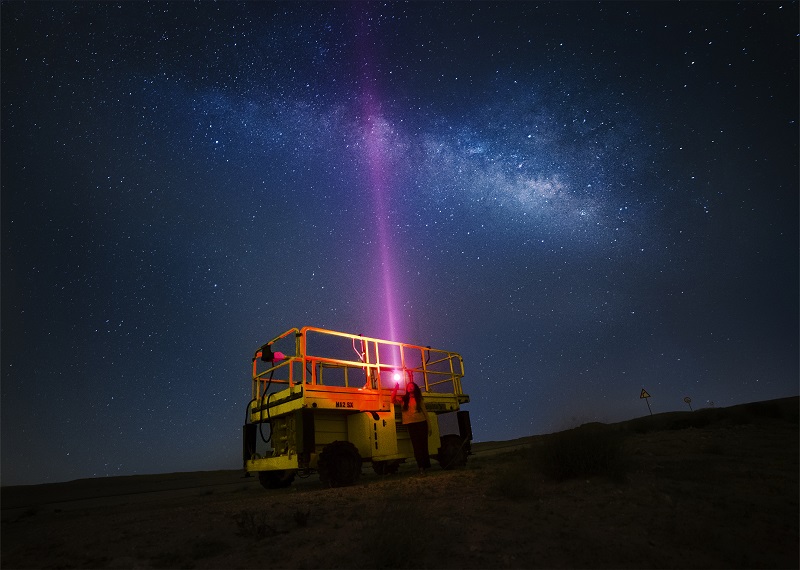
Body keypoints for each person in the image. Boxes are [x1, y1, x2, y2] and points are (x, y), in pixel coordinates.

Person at [391, 371, 432, 474]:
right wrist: (395, 388)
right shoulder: (404, 399)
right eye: (408, 386)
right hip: (411, 424)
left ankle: (426, 466)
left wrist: (429, 426)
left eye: (411, 386)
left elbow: (425, 413)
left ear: (415, 388)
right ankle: (421, 467)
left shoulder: (419, 399)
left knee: (424, 445)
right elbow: (392, 400)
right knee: (416, 446)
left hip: (421, 423)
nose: (409, 387)